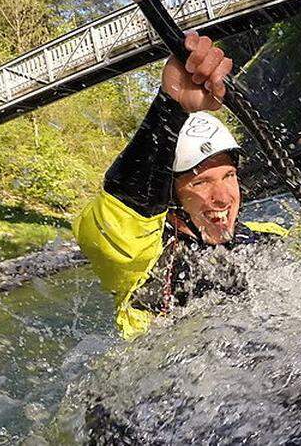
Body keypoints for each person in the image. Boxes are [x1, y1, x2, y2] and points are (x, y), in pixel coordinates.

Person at [73, 32, 288, 339]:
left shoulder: (268, 238)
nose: (223, 198)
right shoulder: (145, 262)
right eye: (201, 182)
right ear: (170, 197)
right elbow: (119, 218)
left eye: (228, 176)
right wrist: (170, 106)